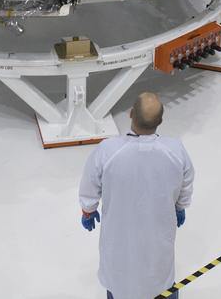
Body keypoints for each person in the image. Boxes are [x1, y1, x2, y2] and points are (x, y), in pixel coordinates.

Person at [79, 92, 193, 299]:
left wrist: (88, 209)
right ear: (160, 121)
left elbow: (90, 184)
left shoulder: (108, 150)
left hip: (119, 235)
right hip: (158, 233)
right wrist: (180, 207)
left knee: (119, 277)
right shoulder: (175, 151)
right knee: (159, 276)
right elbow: (186, 182)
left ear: (131, 114)